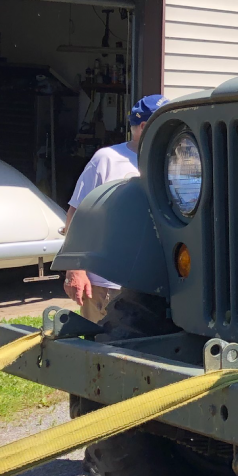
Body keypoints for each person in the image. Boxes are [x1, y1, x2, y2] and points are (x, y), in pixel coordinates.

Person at [63, 94, 167, 322]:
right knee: (99, 348)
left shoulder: (170, 161)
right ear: (143, 126)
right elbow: (76, 214)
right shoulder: (107, 159)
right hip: (105, 283)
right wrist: (75, 269)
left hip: (152, 285)